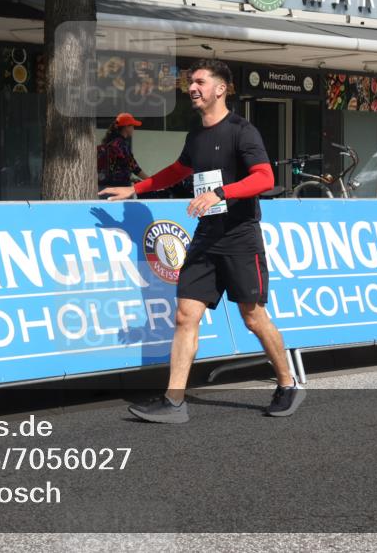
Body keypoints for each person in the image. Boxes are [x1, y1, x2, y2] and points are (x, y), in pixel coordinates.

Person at [100, 60, 303, 423]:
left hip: (240, 237)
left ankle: (287, 384)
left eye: (199, 82)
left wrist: (220, 194)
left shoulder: (243, 131)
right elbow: (177, 171)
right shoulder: (196, 135)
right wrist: (135, 189)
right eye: (190, 82)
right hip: (207, 236)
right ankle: (174, 402)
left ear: (220, 88)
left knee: (253, 317)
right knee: (184, 315)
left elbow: (263, 178)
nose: (191, 88)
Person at [98, 112, 149, 189]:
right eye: (132, 126)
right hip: (119, 188)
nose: (133, 129)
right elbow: (134, 167)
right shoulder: (121, 144)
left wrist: (130, 178)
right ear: (126, 127)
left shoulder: (110, 143)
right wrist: (150, 181)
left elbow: (115, 168)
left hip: (103, 187)